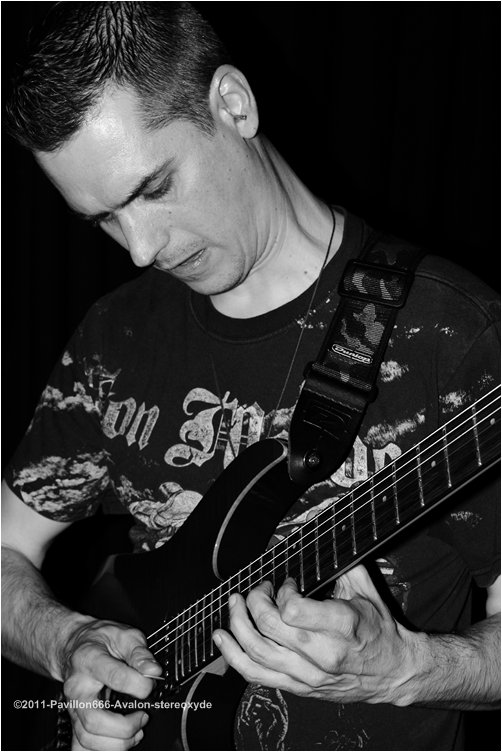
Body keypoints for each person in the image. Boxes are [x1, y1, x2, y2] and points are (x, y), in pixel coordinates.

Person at [2, 3, 500, 751]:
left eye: (151, 189)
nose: (139, 248)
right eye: (103, 218)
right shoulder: (118, 333)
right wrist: (68, 643)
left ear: (233, 105)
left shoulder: (453, 335)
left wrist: (406, 669)